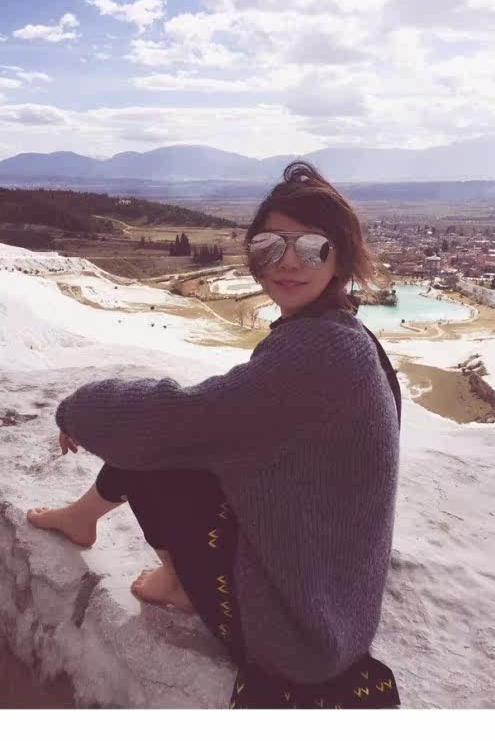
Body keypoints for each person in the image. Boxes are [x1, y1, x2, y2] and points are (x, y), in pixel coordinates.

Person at [26, 161, 402, 710]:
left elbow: (177, 420)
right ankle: (86, 518)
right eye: (270, 245)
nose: (287, 261)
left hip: (298, 632)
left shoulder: (322, 352)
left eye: (311, 246)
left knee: (160, 438)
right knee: (184, 434)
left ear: (339, 257)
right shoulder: (346, 335)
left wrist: (76, 408)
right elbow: (228, 420)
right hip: (331, 603)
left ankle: (175, 580)